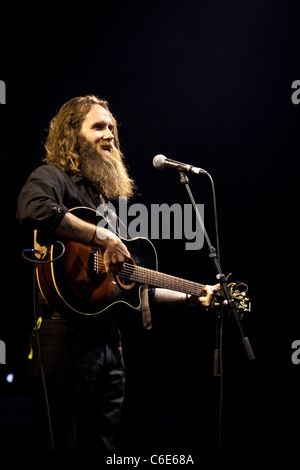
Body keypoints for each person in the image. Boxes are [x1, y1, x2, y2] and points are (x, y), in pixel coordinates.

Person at [17, 95, 216, 451]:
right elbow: (32, 209)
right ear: (71, 135)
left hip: (109, 347)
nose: (109, 134)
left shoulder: (108, 207)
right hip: (62, 338)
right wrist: (100, 235)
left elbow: (136, 288)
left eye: (111, 127)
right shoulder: (52, 178)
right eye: (98, 126)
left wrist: (195, 293)